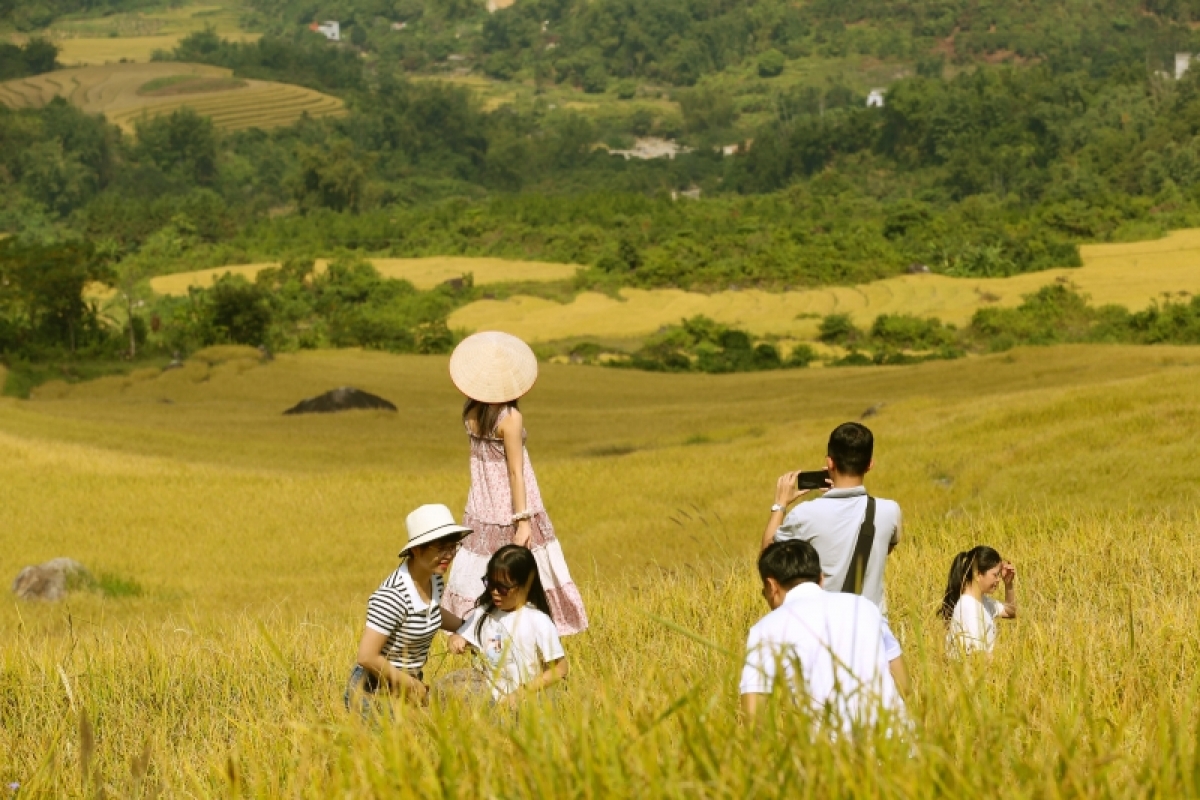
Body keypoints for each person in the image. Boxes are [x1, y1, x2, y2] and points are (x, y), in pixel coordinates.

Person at [443, 331, 588, 636]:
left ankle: (478, 633)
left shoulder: (469, 411)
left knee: (486, 577)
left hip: (480, 506)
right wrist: (523, 520)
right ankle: (531, 637)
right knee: (523, 576)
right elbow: (514, 472)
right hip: (511, 507)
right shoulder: (510, 416)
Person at [760, 422, 909, 695]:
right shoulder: (889, 511)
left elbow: (768, 556)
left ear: (829, 462)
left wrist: (780, 504)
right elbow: (886, 547)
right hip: (874, 639)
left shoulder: (806, 515)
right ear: (870, 464)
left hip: (821, 639)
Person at [740, 540, 906, 733]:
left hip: (832, 756)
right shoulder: (865, 606)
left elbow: (753, 718)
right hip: (899, 746)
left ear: (771, 585)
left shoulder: (766, 629)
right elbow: (904, 685)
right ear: (821, 578)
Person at [346, 504, 473, 713]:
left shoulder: (435, 580)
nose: (448, 555)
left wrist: (466, 628)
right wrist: (412, 685)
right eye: (440, 548)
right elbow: (366, 656)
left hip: (407, 686)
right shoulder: (392, 596)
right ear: (416, 549)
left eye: (452, 547)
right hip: (374, 691)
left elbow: (431, 612)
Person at [443, 544, 568, 705]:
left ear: (525, 585)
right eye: (490, 584)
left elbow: (560, 669)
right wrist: (456, 640)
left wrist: (522, 692)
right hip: (486, 702)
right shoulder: (484, 613)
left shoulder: (538, 621)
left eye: (502, 588)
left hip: (526, 706)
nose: (494, 592)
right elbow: (459, 636)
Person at [939, 546, 1017, 656]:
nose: (998, 580)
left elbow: (1010, 611)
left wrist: (1008, 584)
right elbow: (977, 656)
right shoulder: (968, 608)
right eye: (995, 575)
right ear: (978, 574)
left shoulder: (982, 601)